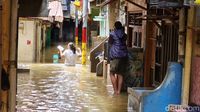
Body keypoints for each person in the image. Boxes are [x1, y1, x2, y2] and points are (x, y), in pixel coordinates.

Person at [108, 21, 128, 95]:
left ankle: (115, 91)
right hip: (123, 55)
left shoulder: (112, 34)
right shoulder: (125, 35)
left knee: (111, 73)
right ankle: (119, 91)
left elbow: (110, 43)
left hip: (115, 55)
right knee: (120, 74)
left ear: (115, 26)